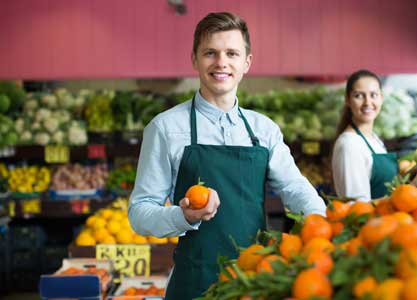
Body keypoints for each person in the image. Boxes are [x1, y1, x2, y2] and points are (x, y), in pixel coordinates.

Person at [128, 12, 326, 299]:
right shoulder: (165, 128)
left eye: (232, 53)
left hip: (255, 279)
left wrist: (321, 221)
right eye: (210, 53)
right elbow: (140, 213)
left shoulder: (264, 130)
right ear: (194, 59)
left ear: (246, 62)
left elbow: (294, 187)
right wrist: (182, 216)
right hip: (195, 279)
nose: (221, 62)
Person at [332, 69, 417, 201]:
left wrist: (410, 175)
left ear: (381, 98)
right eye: (359, 96)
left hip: (386, 219)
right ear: (347, 100)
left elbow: (384, 188)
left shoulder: (374, 139)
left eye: (373, 95)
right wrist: (412, 188)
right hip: (371, 222)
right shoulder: (349, 144)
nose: (368, 102)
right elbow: (357, 207)